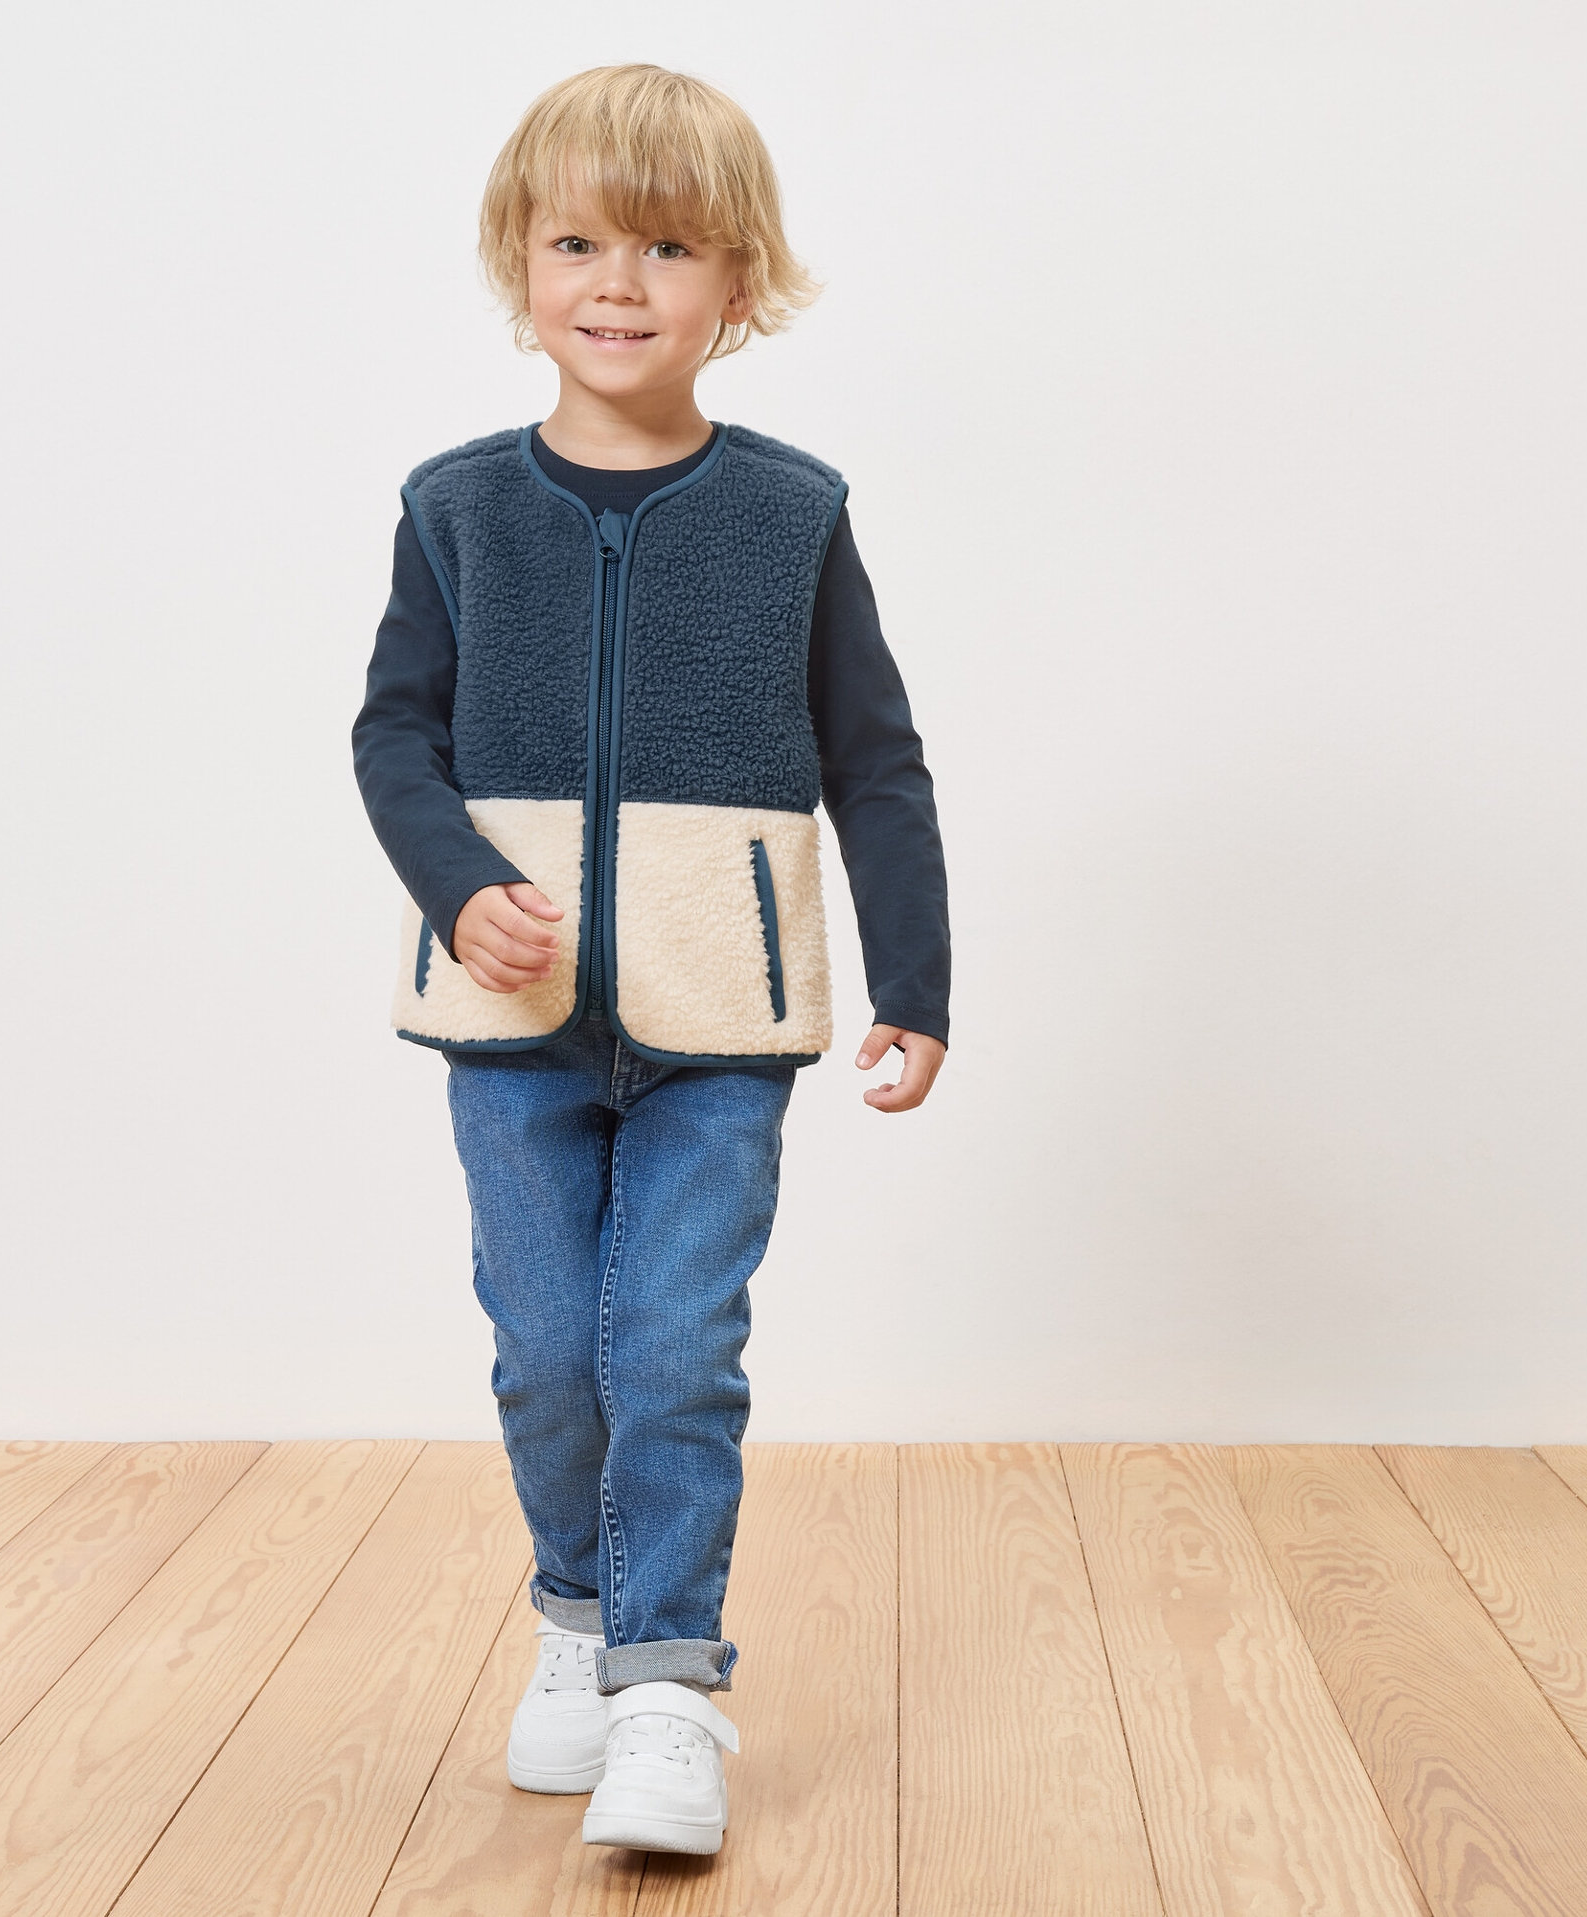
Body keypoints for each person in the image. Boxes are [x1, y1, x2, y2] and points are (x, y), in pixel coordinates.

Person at [351, 62, 949, 1858]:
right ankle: (579, 1627)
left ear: (738, 286)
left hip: (719, 1022)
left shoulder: (790, 514)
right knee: (546, 1349)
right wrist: (460, 882)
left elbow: (877, 757)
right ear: (517, 267)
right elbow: (393, 736)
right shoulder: (456, 508)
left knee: (675, 1341)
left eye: (669, 245)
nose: (619, 279)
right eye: (578, 239)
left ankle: (672, 1687)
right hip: (513, 1023)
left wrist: (915, 984)